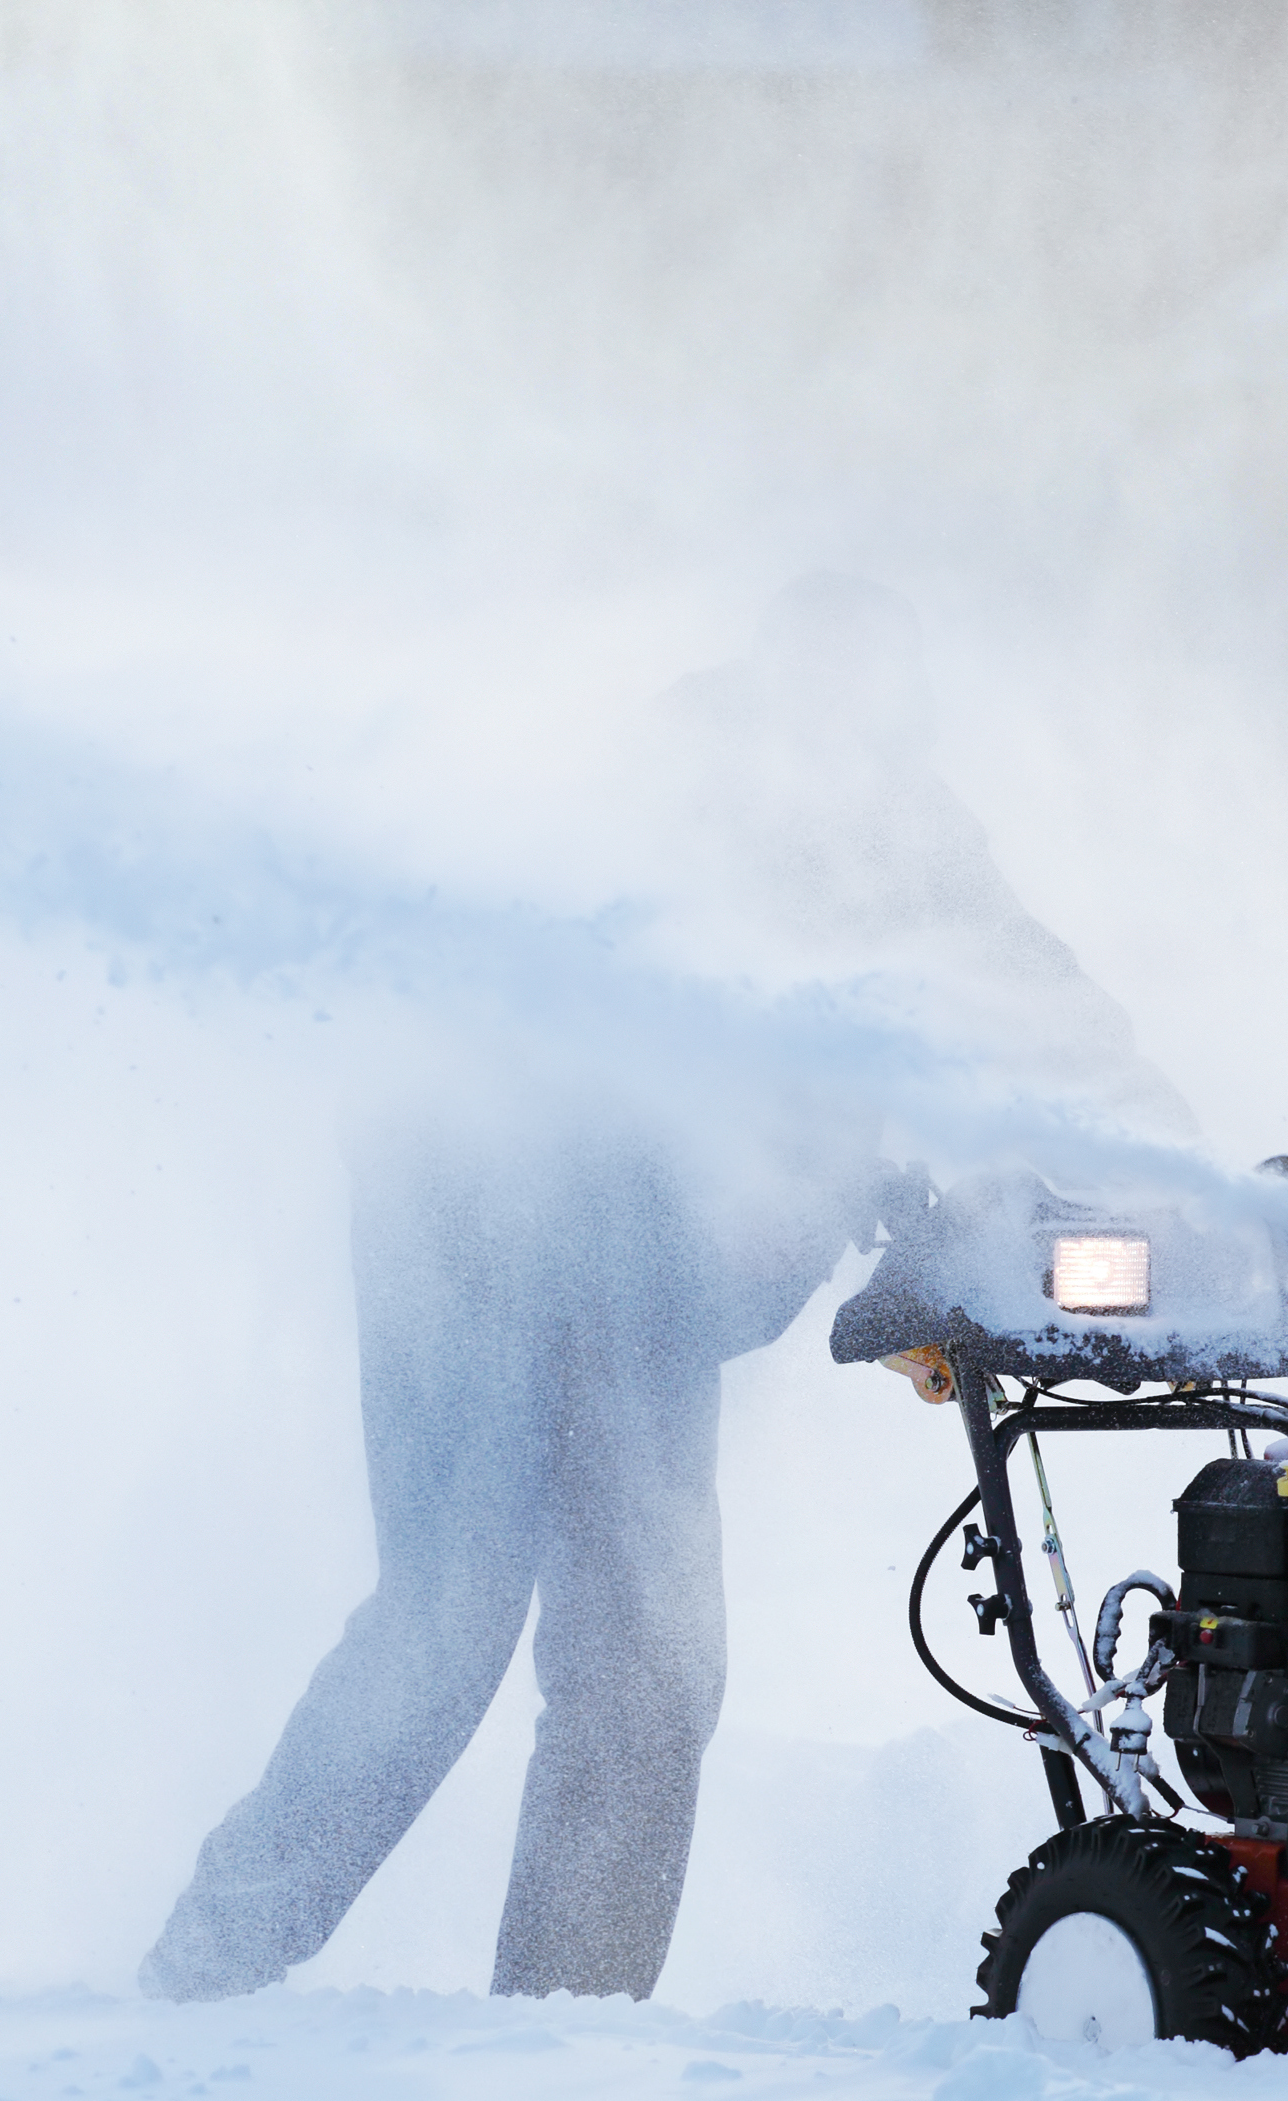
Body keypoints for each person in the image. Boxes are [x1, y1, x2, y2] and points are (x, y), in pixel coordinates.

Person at [138, 577, 1175, 2003]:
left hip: (641, 1288)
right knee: (450, 1617)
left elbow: (1041, 1009)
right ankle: (206, 1972)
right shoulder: (684, 795)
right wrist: (853, 1166)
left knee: (652, 1674)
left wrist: (1177, 1166)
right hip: (480, 1218)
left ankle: (563, 2021)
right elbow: (694, 1066)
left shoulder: (906, 838)